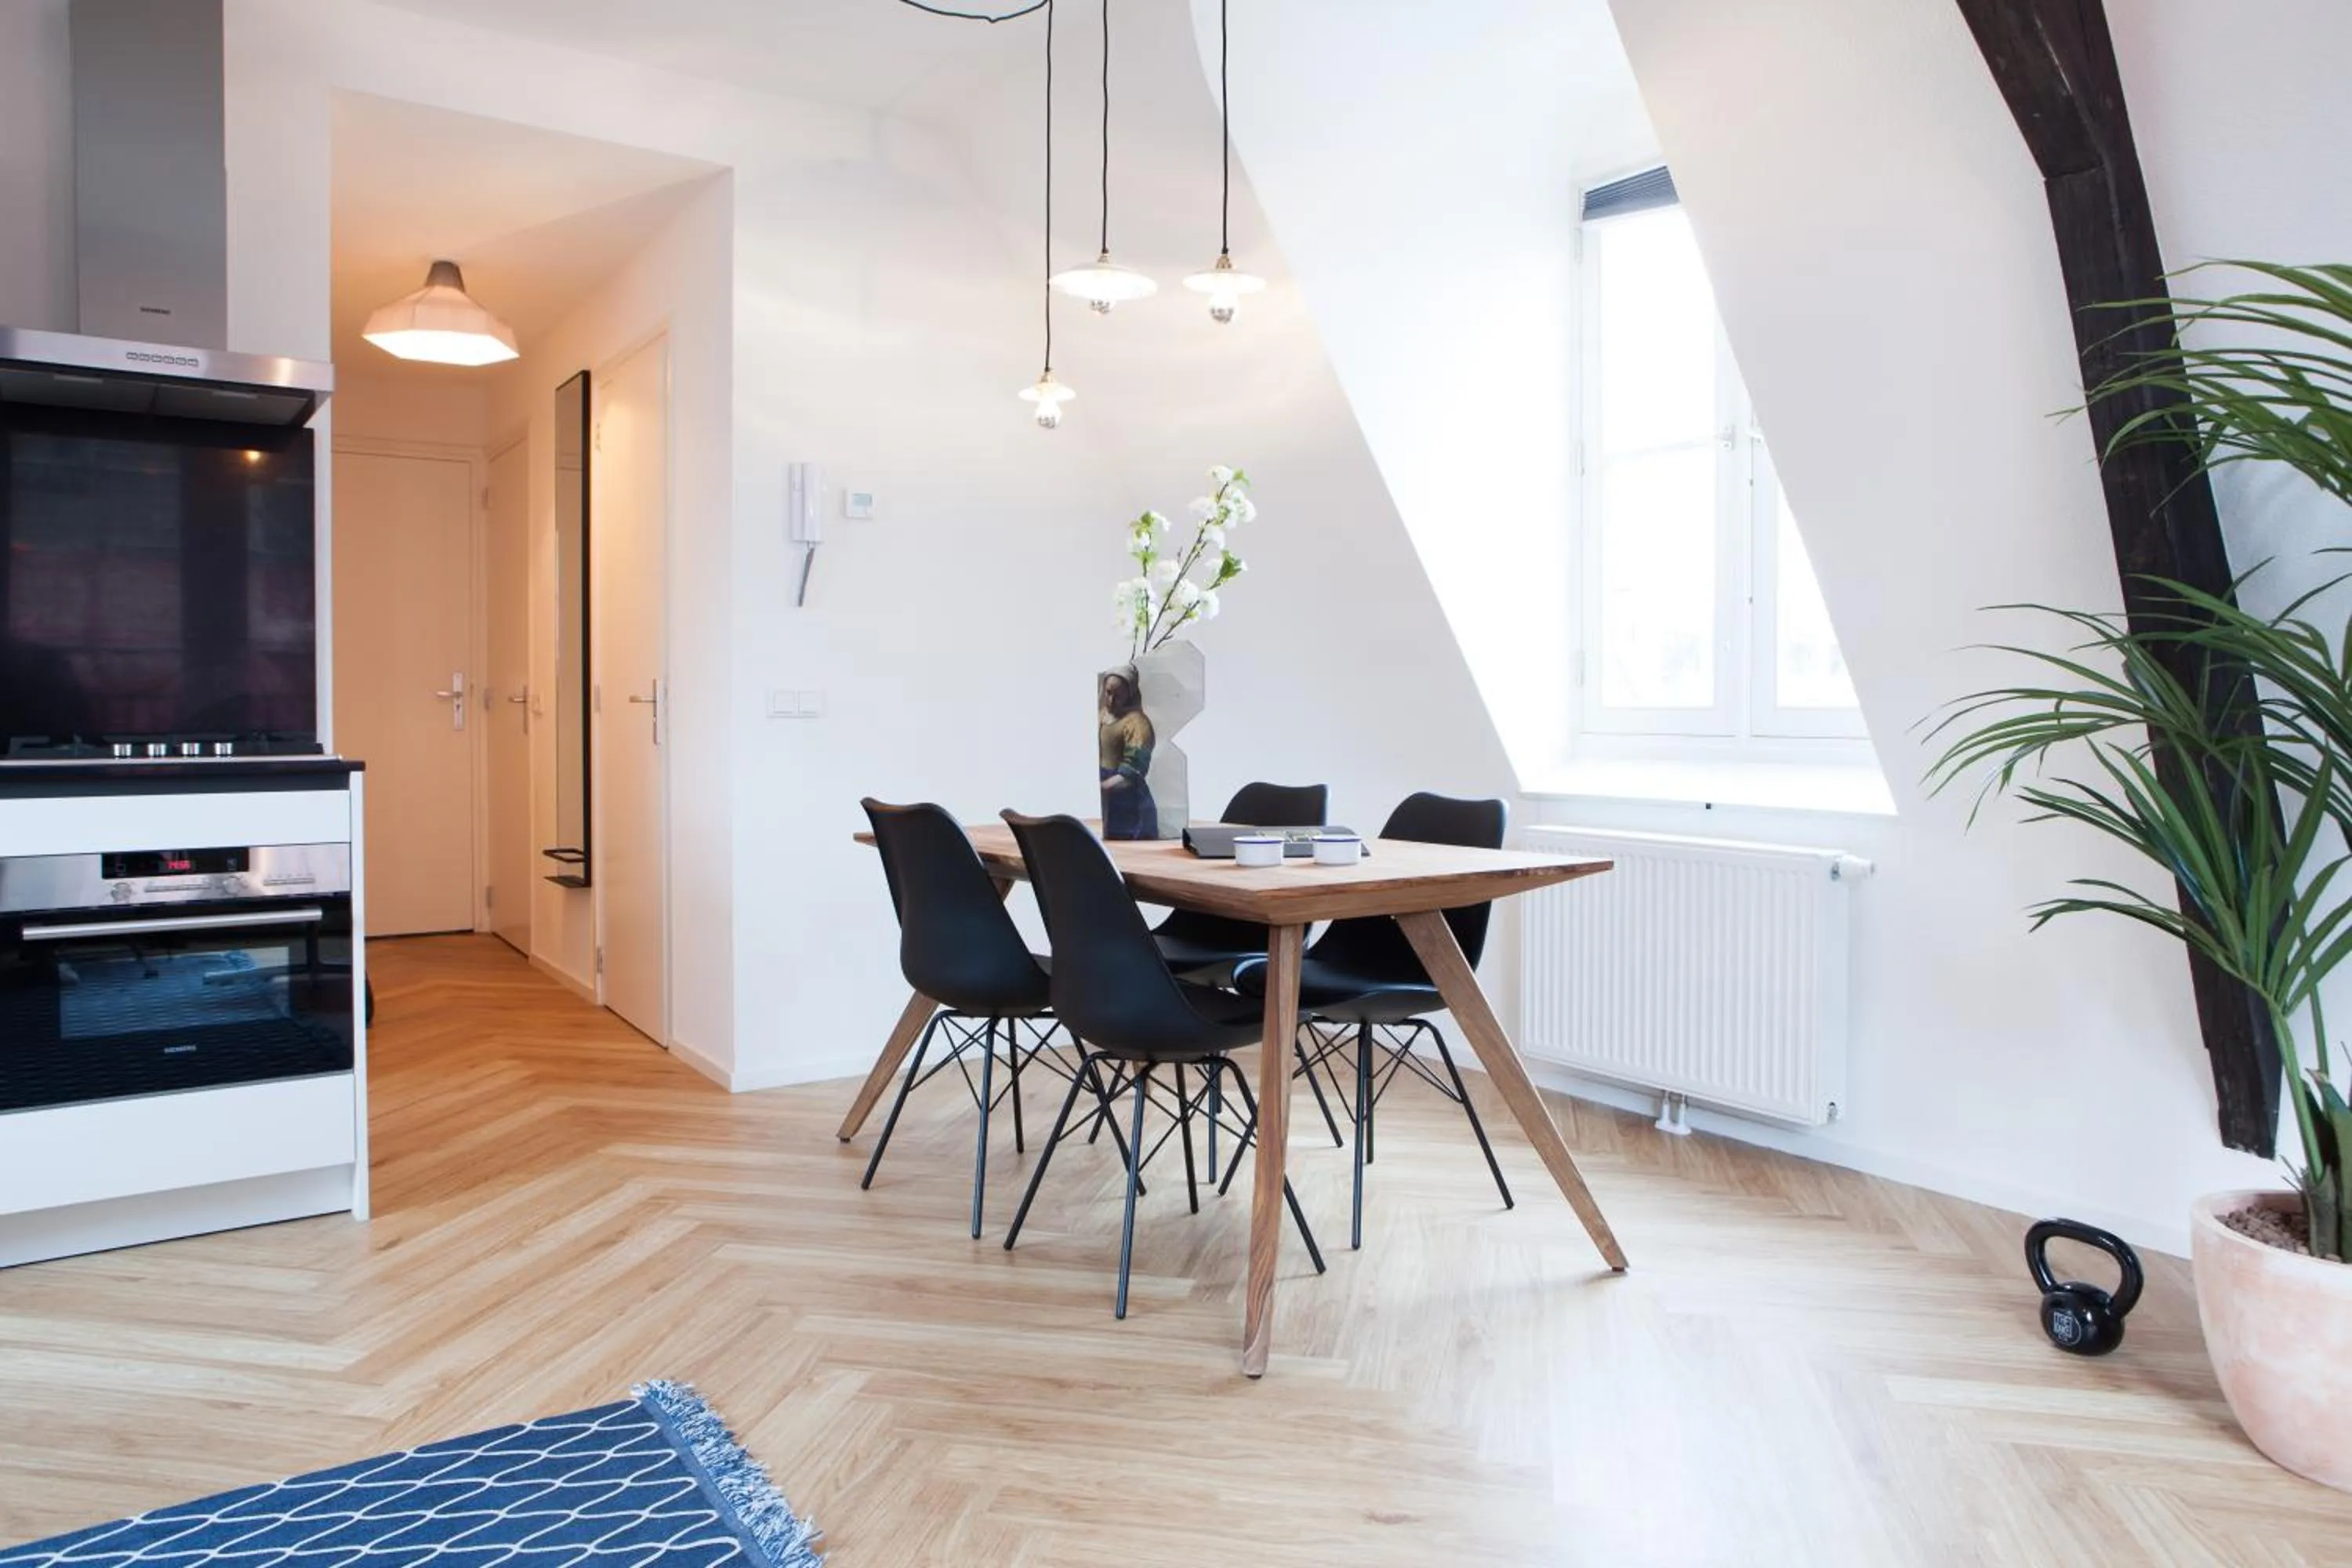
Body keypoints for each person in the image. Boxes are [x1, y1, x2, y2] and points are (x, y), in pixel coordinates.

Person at [1098, 667, 1158, 839]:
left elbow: (1134, 772)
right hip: (1108, 799)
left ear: (1129, 695)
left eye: (1118, 695)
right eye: (1108, 693)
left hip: (1129, 802)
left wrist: (1102, 788)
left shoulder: (1137, 723)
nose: (1111, 700)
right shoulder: (1102, 715)